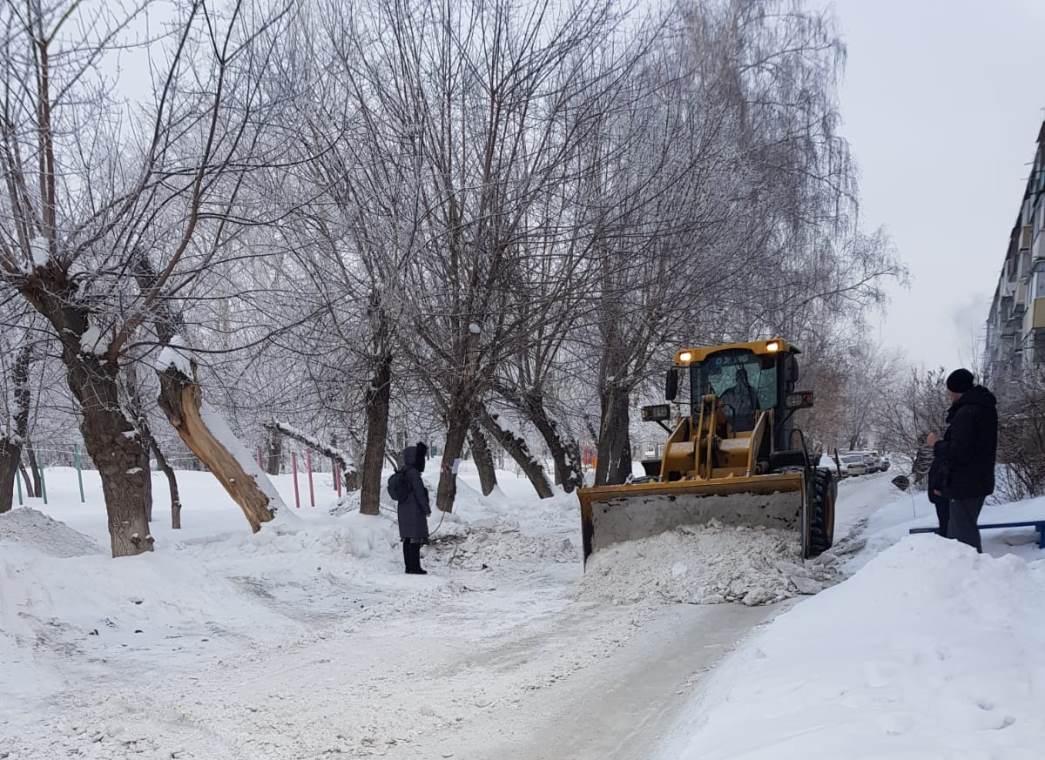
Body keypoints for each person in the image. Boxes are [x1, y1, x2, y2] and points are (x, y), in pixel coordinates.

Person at [927, 369, 998, 552]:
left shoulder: (969, 412)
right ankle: (966, 575)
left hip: (966, 483)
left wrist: (936, 444)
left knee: (962, 538)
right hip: (974, 481)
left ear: (957, 391)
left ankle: (970, 576)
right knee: (962, 531)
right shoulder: (982, 408)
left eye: (950, 391)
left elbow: (959, 451)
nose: (949, 395)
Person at [397, 442, 431, 574]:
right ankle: (415, 567)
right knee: (415, 540)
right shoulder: (414, 474)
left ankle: (408, 567)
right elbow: (419, 493)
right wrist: (426, 509)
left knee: (407, 539)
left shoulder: (404, 471)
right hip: (414, 511)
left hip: (404, 510)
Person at [911, 432, 950, 536]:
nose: (929, 444)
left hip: (942, 496)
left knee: (946, 522)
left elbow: (944, 473)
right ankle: (945, 537)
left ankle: (946, 540)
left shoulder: (943, 455)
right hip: (939, 496)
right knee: (943, 521)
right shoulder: (938, 455)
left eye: (930, 441)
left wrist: (941, 490)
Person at [719, 366, 759, 431]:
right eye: (740, 378)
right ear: (736, 379)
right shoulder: (727, 395)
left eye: (743, 378)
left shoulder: (752, 394)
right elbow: (720, 415)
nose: (742, 381)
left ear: (746, 379)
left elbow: (757, 413)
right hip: (728, 432)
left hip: (751, 430)